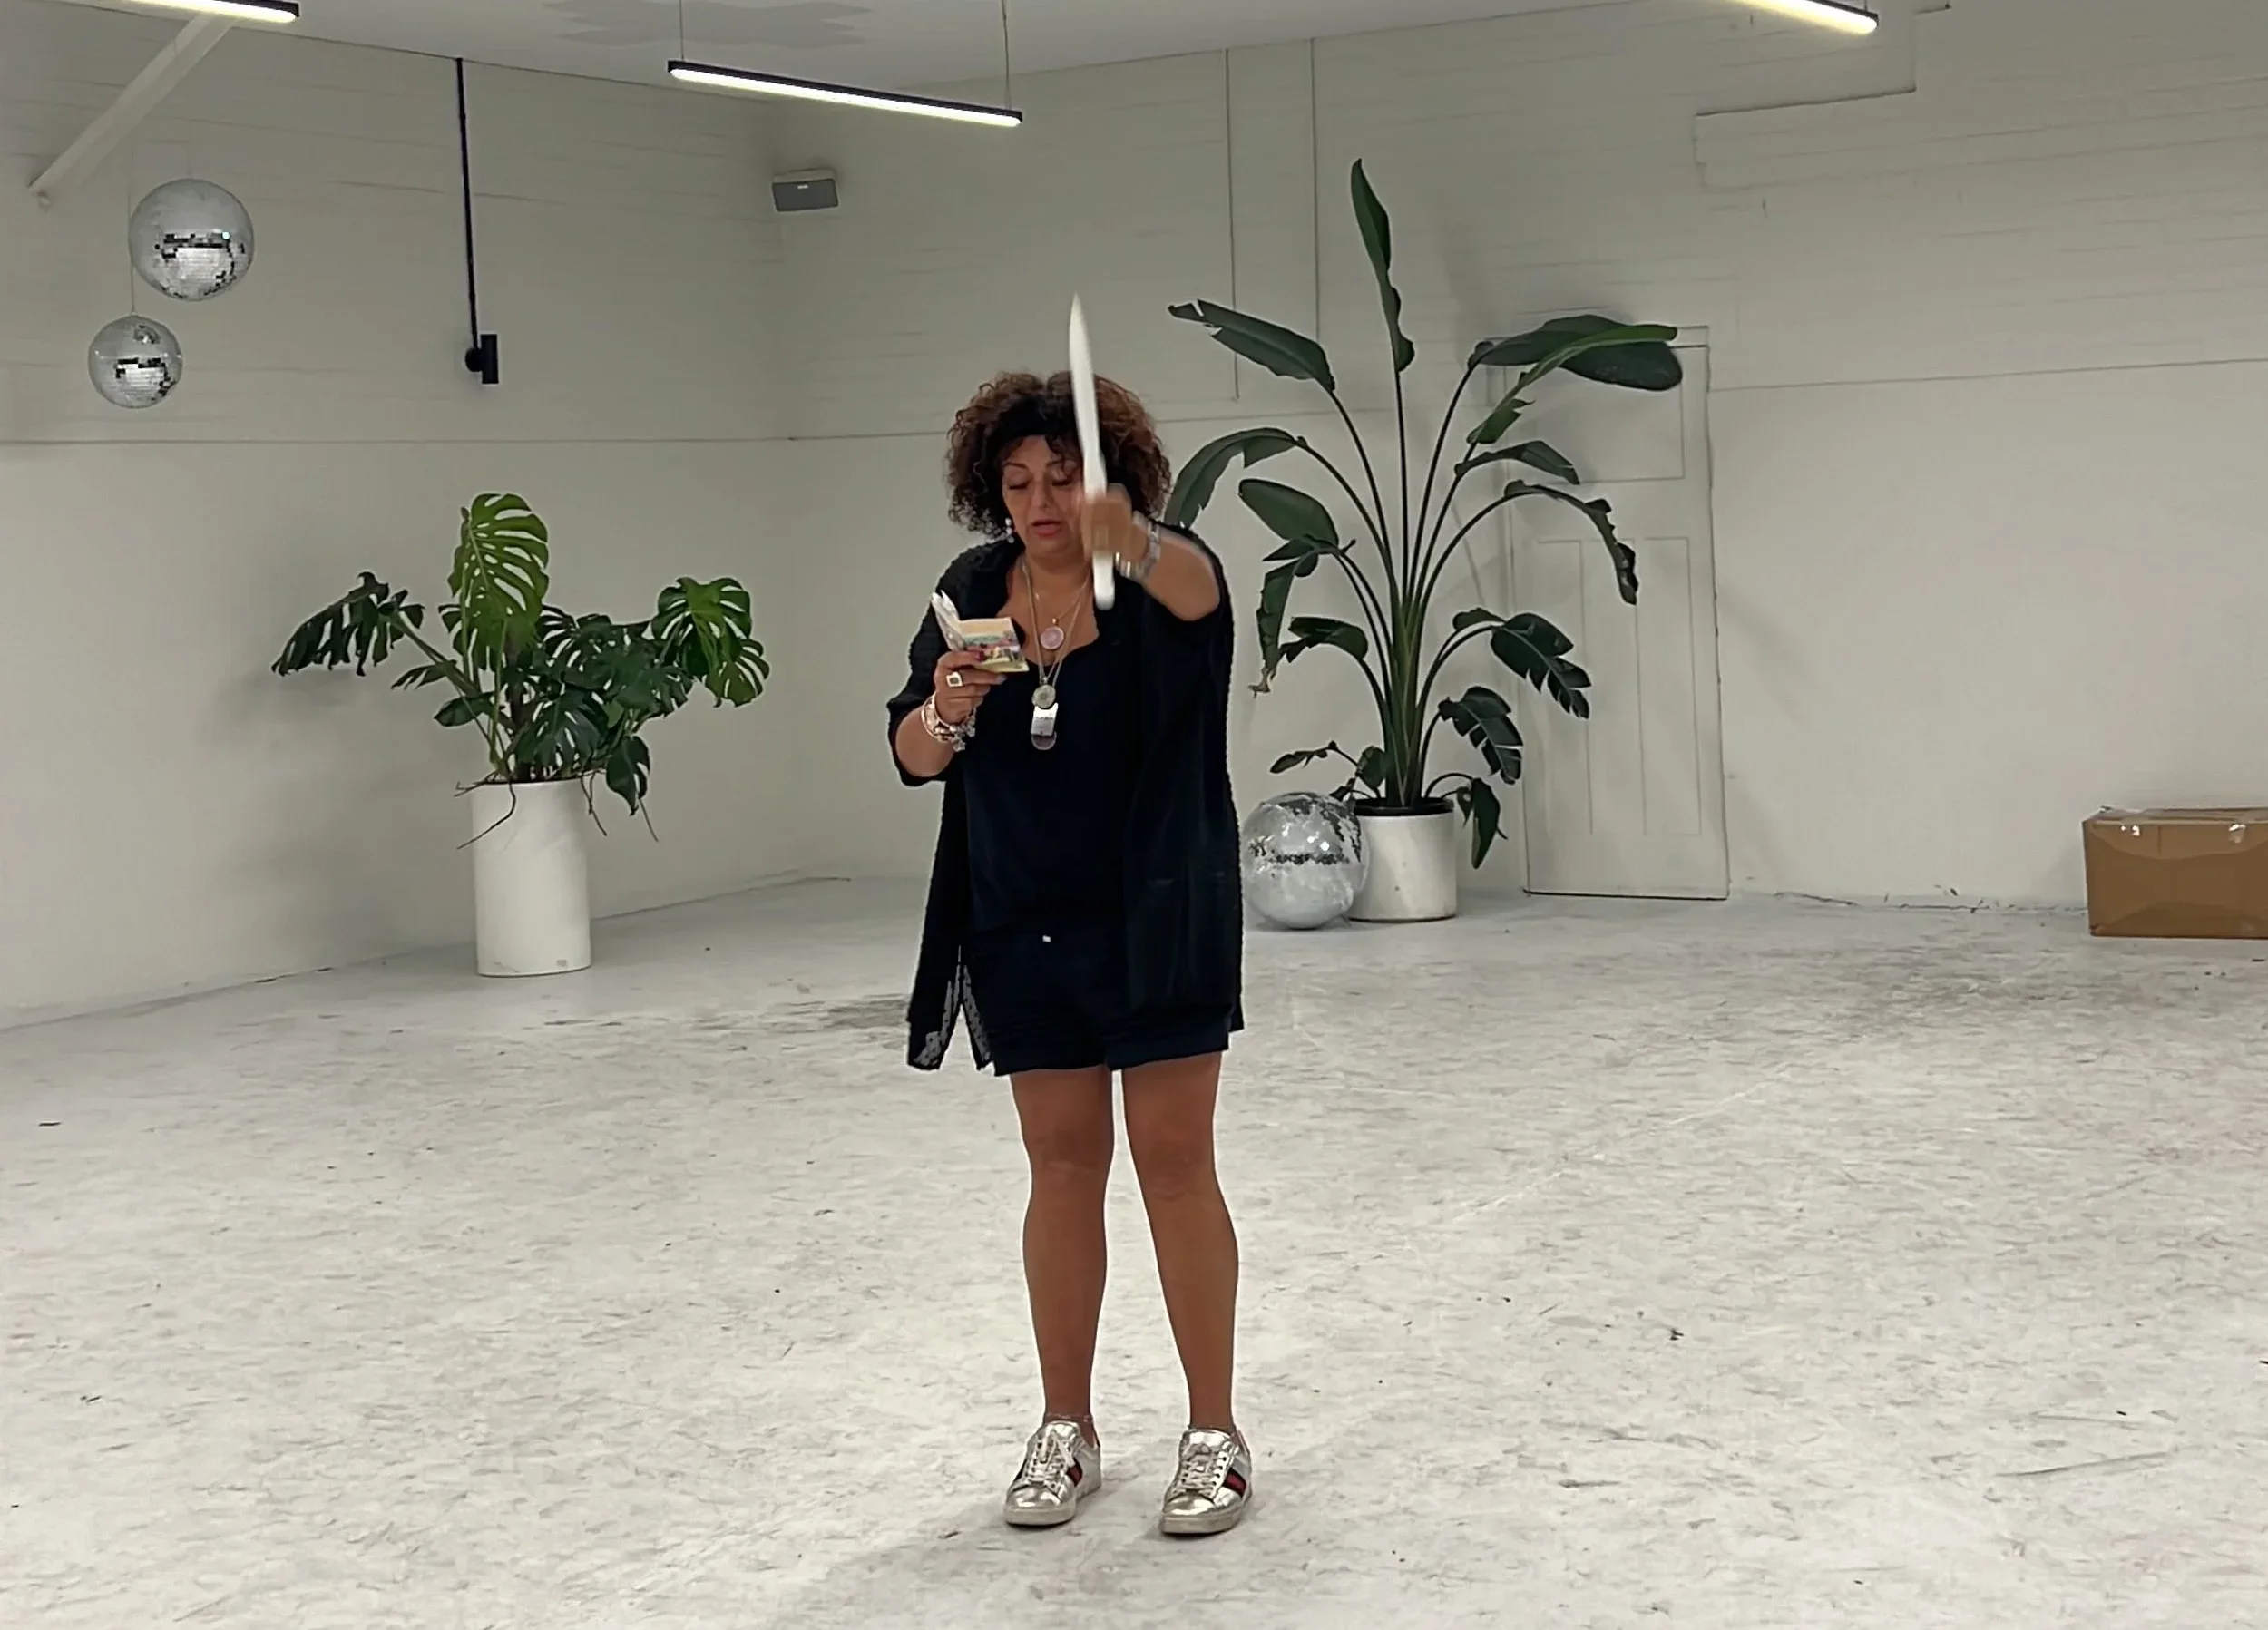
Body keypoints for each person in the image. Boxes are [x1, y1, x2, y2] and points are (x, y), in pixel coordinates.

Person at [885, 370, 1251, 1537]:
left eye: (1061, 477)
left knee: (1174, 1161)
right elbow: (909, 755)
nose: (1040, 501)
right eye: (1018, 481)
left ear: (1107, 479)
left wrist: (1131, 541)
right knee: (1058, 1167)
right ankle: (1066, 1428)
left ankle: (1213, 1433)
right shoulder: (969, 592)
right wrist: (947, 704)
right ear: (990, 489)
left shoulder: (1154, 572)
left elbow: (1200, 592)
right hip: (1020, 918)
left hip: (1157, 913)